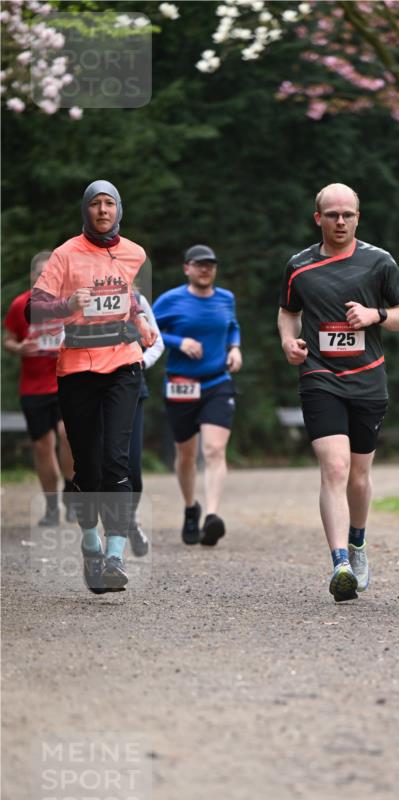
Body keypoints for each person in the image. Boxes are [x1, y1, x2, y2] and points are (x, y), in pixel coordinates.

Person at [278, 182, 399, 602]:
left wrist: (375, 315)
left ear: (359, 217)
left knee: (358, 474)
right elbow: (288, 313)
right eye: (332, 215)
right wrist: (289, 341)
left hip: (368, 380)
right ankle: (339, 562)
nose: (340, 222)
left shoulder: (379, 262)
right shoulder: (298, 266)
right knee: (334, 467)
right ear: (317, 218)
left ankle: (357, 544)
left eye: (348, 215)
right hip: (319, 377)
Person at [27, 180, 155, 593]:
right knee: (87, 468)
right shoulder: (66, 254)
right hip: (78, 368)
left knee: (117, 462)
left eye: (109, 203)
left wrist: (139, 319)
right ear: (86, 210)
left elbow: (128, 296)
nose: (103, 210)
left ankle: (115, 556)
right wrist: (67, 305)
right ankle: (90, 544)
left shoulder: (135, 253)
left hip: (123, 365)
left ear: (120, 209)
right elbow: (34, 308)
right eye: (96, 204)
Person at [152, 244, 242, 547]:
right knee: (186, 455)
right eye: (199, 265)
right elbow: (145, 330)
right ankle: (191, 507)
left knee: (215, 450)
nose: (206, 270)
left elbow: (232, 327)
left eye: (210, 265)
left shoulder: (225, 298)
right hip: (181, 384)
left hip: (218, 382)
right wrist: (180, 341)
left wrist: (235, 348)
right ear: (187, 268)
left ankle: (212, 517)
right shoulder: (171, 300)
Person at [4, 252, 76, 526]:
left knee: (67, 434)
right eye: (39, 274)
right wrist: (19, 348)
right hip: (33, 388)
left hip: (66, 382)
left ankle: (71, 495)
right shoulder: (20, 305)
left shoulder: (68, 304)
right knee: (42, 447)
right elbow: (8, 340)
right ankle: (51, 507)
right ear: (33, 276)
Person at [126, 286, 164, 557]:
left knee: (133, 467)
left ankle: (130, 519)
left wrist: (142, 361)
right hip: (93, 391)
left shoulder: (137, 299)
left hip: (132, 390)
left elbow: (157, 341)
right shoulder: (82, 297)